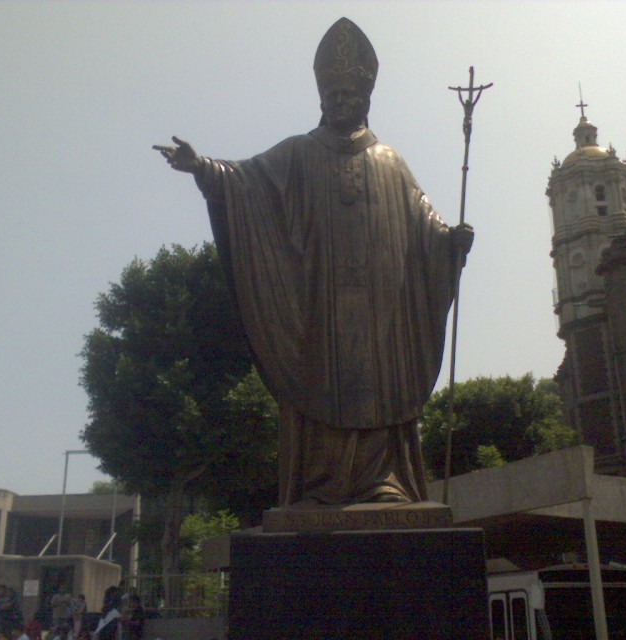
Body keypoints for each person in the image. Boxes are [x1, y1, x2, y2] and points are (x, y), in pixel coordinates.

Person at [154, 17, 473, 506]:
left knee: (379, 384)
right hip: (319, 305)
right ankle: (321, 486)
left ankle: (382, 482)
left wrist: (449, 242)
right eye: (333, 96)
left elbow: (420, 221)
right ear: (321, 99)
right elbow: (246, 182)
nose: (341, 103)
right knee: (321, 387)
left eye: (350, 95)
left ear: (366, 99)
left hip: (382, 311)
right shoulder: (298, 153)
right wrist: (203, 167)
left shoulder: (391, 162)